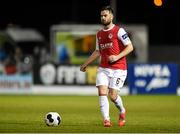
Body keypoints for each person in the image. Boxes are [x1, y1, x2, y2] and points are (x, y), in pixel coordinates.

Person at [80, 5, 134, 127]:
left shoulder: (119, 31)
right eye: (101, 16)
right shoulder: (99, 34)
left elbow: (130, 47)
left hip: (119, 69)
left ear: (111, 16)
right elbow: (97, 51)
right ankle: (106, 119)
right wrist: (85, 64)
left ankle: (122, 111)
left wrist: (117, 57)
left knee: (113, 96)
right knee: (102, 91)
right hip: (104, 69)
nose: (103, 18)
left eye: (105, 15)